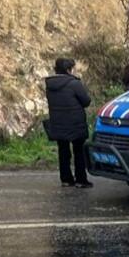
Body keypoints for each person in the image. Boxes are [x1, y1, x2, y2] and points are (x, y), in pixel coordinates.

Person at [45, 58, 92, 188]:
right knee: (78, 151)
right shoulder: (74, 84)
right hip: (75, 122)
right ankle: (81, 180)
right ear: (69, 69)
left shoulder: (50, 85)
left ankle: (66, 179)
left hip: (58, 122)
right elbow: (86, 101)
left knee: (63, 151)